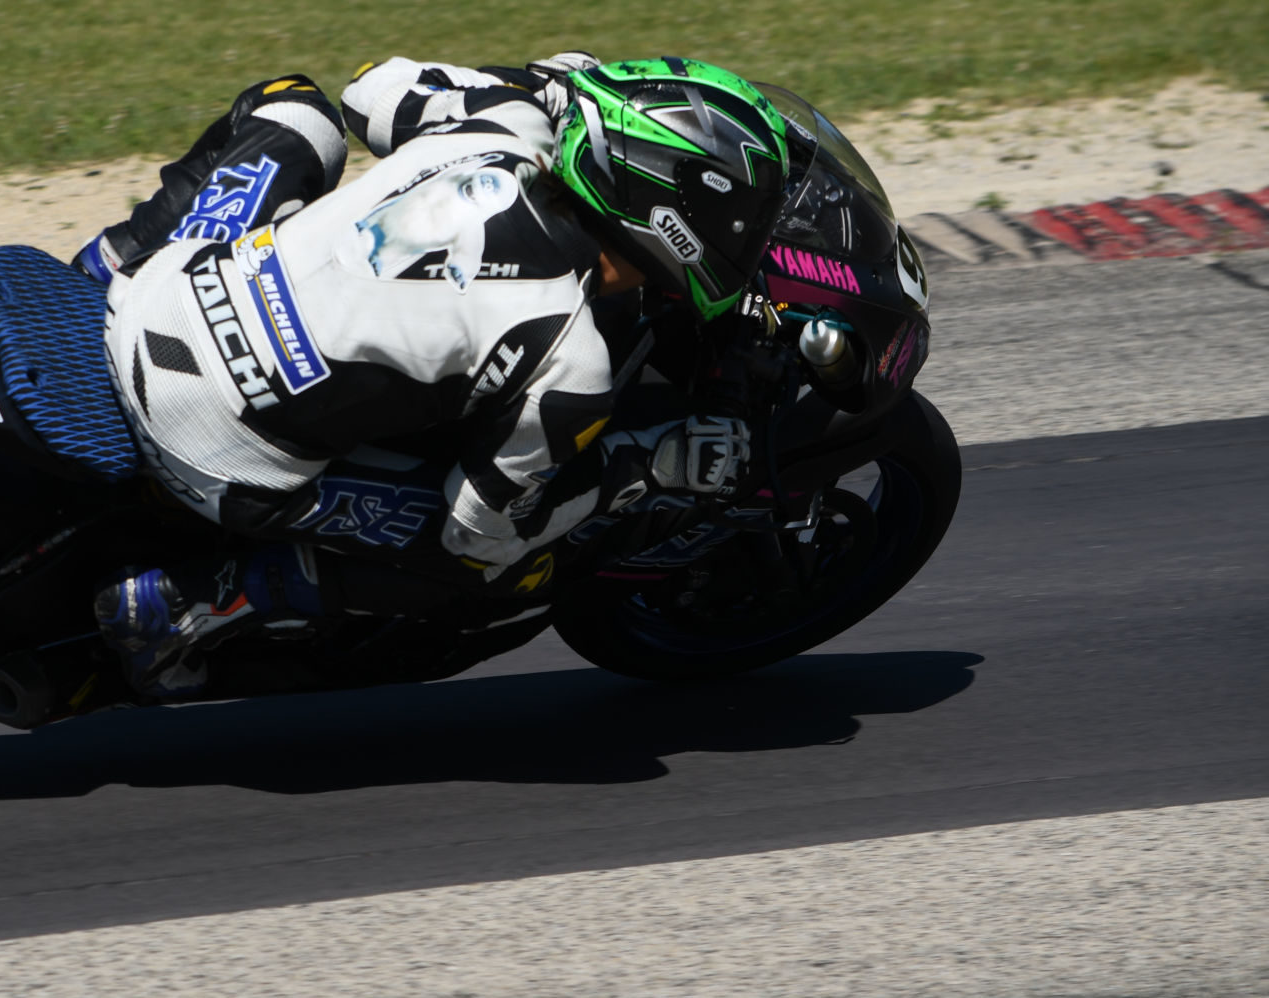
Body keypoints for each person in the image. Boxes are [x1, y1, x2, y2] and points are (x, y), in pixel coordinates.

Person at [78, 54, 793, 698]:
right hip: (208, 448)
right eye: (750, 218)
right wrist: (651, 460)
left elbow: (367, 89)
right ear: (682, 218)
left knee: (292, 102)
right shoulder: (571, 358)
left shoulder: (502, 124)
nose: (754, 237)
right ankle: (194, 599)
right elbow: (479, 532)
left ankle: (100, 264)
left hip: (154, 298)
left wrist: (531, 82)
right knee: (512, 570)